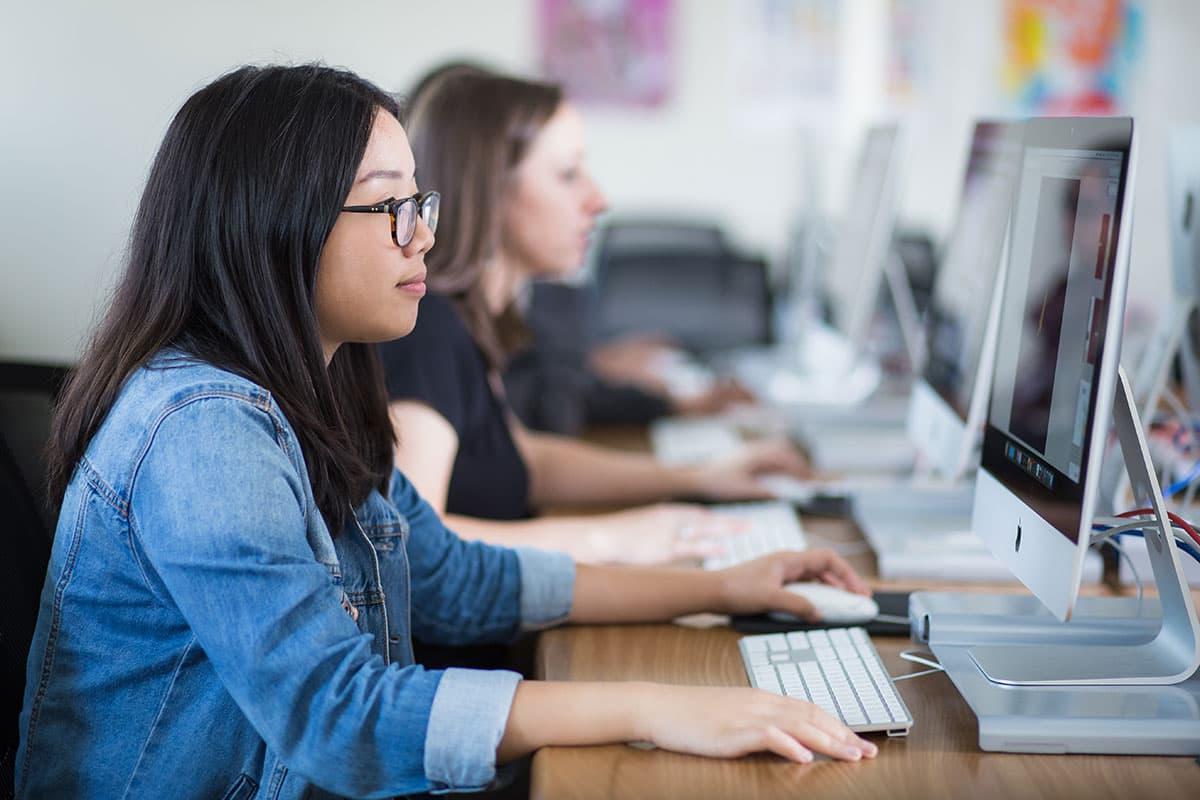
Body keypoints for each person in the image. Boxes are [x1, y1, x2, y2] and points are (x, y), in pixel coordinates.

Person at [17, 64, 875, 799]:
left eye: (417, 200)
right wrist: (660, 705)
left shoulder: (320, 393)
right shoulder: (204, 431)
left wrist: (723, 589)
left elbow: (457, 578)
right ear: (277, 226)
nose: (425, 233)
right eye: (390, 208)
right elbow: (337, 715)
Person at [379, 66, 808, 564]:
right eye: (567, 175)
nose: (598, 200)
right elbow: (412, 544)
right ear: (492, 191)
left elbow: (527, 461)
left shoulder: (472, 323)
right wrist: (617, 540)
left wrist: (698, 479)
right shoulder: (429, 329)